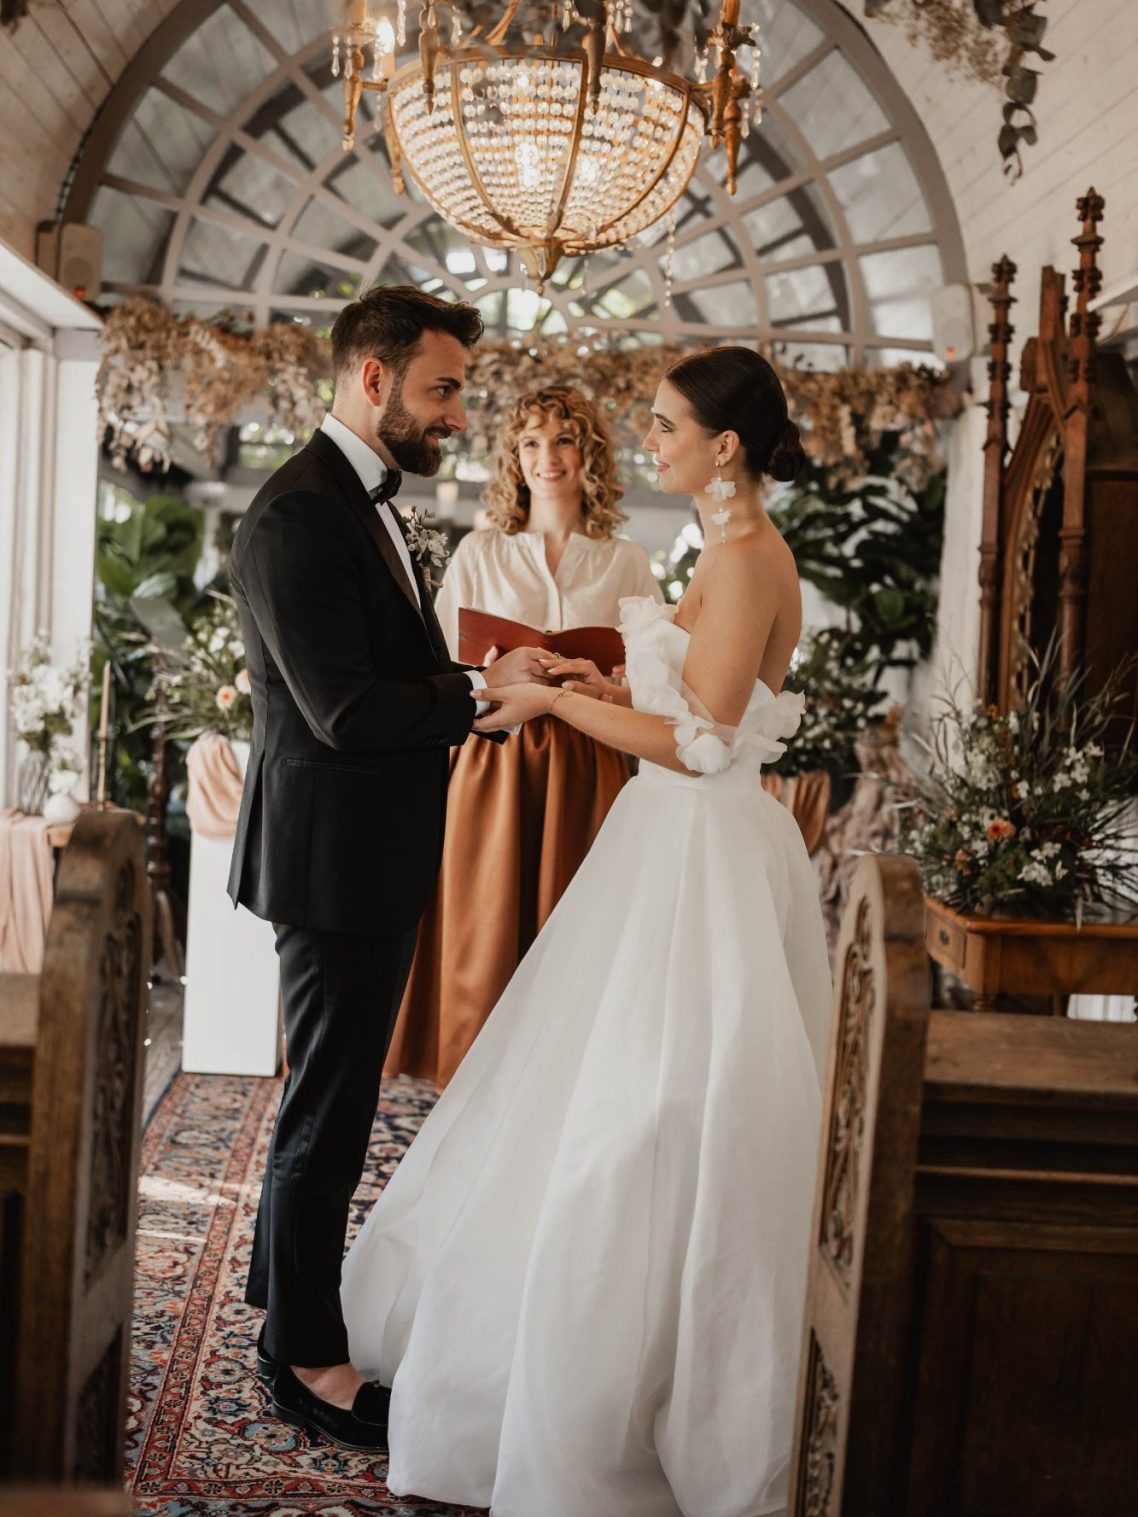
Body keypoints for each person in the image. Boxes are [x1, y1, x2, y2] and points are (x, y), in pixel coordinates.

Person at [341, 345, 835, 1516]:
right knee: (595, 1094)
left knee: (655, 1115)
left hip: (700, 856)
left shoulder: (752, 557)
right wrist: (588, 679)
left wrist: (558, 698)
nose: (646, 438)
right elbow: (688, 706)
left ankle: (629, 1377)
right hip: (663, 843)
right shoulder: (718, 547)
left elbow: (708, 745)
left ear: (724, 444)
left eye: (665, 424)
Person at [225, 284, 554, 1455]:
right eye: (443, 388)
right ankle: (302, 1356)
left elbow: (391, 668)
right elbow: (346, 709)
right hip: (331, 861)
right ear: (374, 378)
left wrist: (494, 675)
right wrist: (475, 693)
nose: (458, 414)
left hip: (363, 849)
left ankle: (283, 1298)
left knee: (333, 1094)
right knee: (328, 1105)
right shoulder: (299, 515)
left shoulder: (355, 504)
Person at [386, 385, 662, 1088]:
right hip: (496, 757)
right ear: (514, 457)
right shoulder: (481, 550)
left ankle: (565, 1082)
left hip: (589, 755)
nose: (548, 458)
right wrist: (497, 667)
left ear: (588, 453)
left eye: (563, 440)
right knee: (487, 915)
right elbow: (440, 661)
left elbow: (651, 671)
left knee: (578, 918)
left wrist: (604, 674)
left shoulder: (624, 560)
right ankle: (474, 1074)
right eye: (532, 443)